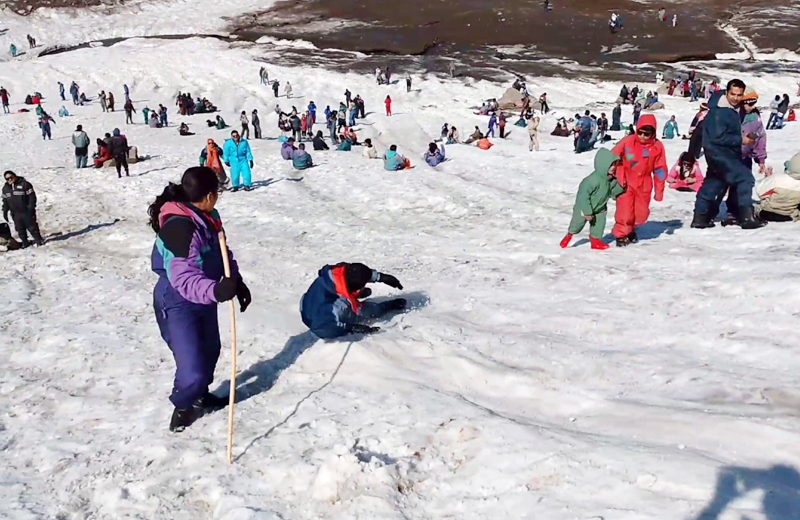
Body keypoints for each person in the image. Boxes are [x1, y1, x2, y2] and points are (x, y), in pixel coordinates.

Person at [149, 166, 251, 431]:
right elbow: (183, 279)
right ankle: (183, 407)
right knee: (192, 367)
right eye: (216, 193)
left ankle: (200, 395)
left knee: (210, 351)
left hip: (203, 296)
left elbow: (221, 252)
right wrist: (216, 291)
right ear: (207, 195)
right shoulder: (179, 227)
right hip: (177, 300)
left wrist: (236, 281)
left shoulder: (207, 216)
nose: (217, 198)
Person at [692, 79, 765, 229]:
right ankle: (746, 218)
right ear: (727, 93)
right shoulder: (721, 111)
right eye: (733, 94)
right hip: (721, 154)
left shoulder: (726, 108)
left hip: (718, 154)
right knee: (745, 178)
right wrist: (741, 140)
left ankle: (700, 218)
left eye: (739, 95)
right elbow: (717, 137)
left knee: (714, 184)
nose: (736, 98)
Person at [299, 262, 405, 339]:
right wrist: (352, 328)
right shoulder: (333, 309)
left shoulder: (337, 272)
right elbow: (322, 329)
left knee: (355, 296)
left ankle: (354, 295)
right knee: (367, 311)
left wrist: (381, 277)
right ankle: (384, 307)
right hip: (320, 320)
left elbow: (357, 272)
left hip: (309, 302)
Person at [611, 114, 668, 246]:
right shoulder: (628, 141)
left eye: (646, 134)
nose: (642, 136)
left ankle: (631, 229)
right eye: (640, 132)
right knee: (625, 212)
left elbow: (660, 169)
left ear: (653, 133)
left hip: (644, 184)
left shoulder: (657, 147)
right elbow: (612, 156)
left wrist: (659, 191)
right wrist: (615, 172)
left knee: (640, 213)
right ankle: (621, 234)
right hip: (626, 182)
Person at [560, 149, 624, 250]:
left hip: (600, 208)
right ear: (603, 165)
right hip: (584, 208)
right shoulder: (591, 181)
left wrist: (622, 187)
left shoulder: (610, 180)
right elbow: (583, 197)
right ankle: (569, 236)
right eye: (611, 165)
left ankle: (596, 241)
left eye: (615, 165)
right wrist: (587, 211)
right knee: (577, 224)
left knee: (599, 225)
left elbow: (613, 191)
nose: (613, 168)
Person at [2, 171, 44, 248]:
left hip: (26, 211)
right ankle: (25, 242)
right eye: (7, 179)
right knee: (20, 229)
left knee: (32, 227)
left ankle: (39, 240)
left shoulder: (25, 184)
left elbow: (32, 197)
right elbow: (5, 201)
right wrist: (5, 211)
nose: (10, 179)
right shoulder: (5, 189)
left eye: (11, 177)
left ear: (15, 176)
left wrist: (31, 207)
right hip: (15, 213)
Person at [754, 153, 800, 221]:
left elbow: (760, 193)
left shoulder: (776, 179)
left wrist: (767, 179)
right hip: (789, 214)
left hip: (767, 212)